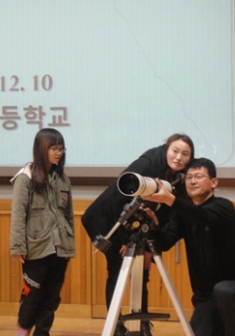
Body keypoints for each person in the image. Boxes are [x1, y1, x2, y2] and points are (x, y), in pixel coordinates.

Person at [82, 133, 194, 336]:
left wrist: (149, 243)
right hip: (107, 222)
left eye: (185, 154)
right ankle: (116, 326)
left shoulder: (179, 177)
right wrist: (128, 241)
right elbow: (119, 202)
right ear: (167, 149)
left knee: (142, 271)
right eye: (175, 151)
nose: (179, 157)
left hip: (136, 222)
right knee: (117, 271)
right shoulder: (148, 164)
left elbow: (164, 214)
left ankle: (142, 324)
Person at [142, 158, 235, 336]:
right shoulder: (183, 214)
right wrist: (152, 226)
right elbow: (164, 243)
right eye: (189, 177)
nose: (192, 181)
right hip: (206, 298)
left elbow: (202, 216)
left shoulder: (223, 207)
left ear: (214, 182)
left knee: (223, 290)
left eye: (198, 176)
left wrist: (170, 199)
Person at [9, 128, 75, 336]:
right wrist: (17, 246)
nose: (59, 153)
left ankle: (42, 332)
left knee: (52, 297)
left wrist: (69, 245)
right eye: (54, 148)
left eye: (61, 149)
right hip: (36, 248)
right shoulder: (25, 178)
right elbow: (18, 214)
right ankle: (23, 330)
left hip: (60, 248)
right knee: (32, 295)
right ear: (41, 149)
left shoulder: (63, 179)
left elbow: (69, 216)